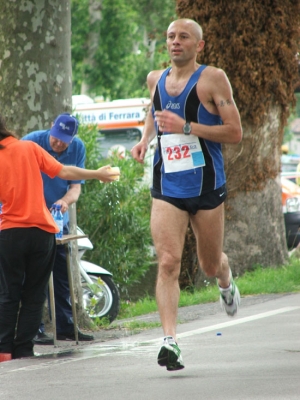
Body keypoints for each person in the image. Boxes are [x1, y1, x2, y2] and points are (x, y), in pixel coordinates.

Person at [131, 18, 243, 372]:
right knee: (168, 261)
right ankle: (170, 341)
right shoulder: (155, 79)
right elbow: (154, 111)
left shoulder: (213, 79)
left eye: (183, 37)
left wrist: (188, 127)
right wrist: (145, 138)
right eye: (170, 37)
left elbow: (235, 132)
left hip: (207, 186)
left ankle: (225, 281)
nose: (175, 42)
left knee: (210, 264)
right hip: (168, 186)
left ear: (199, 45)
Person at [0, 114, 119, 360]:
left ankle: (3, 351)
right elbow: (64, 171)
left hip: (10, 233)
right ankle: (23, 349)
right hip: (42, 233)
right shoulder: (29, 146)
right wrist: (97, 173)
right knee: (34, 295)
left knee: (9, 293)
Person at [21, 113, 90, 344]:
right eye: (56, 137)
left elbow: (75, 188)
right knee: (32, 276)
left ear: (72, 138)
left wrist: (65, 201)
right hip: (29, 219)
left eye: (64, 140)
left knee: (61, 274)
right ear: (51, 127)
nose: (58, 143)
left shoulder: (77, 148)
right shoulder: (31, 142)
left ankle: (66, 326)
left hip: (57, 219)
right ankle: (35, 329)